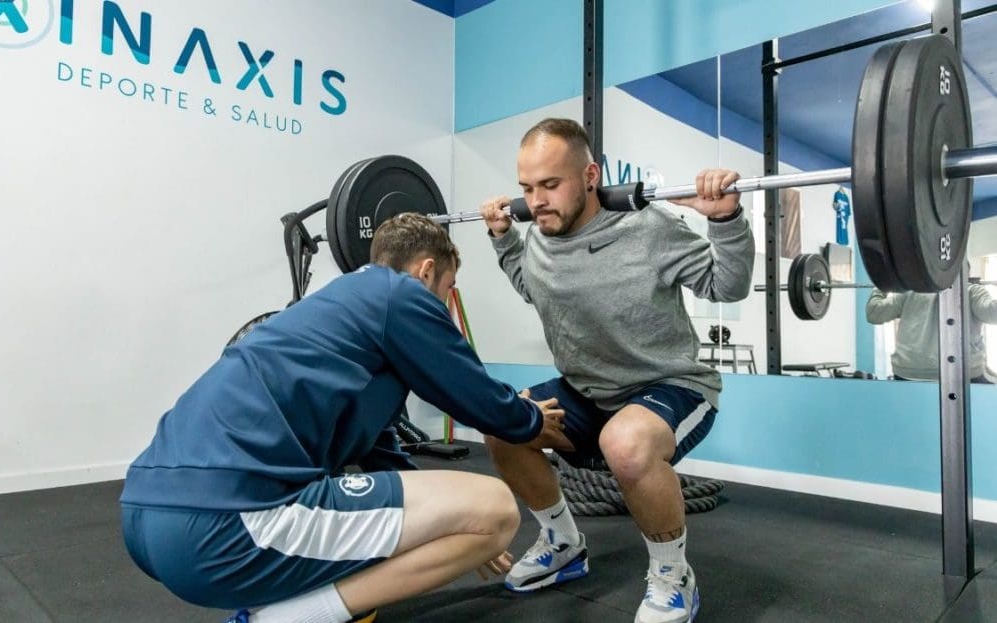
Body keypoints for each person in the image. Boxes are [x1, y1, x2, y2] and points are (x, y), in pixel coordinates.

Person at [119, 213, 566, 623]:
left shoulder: (337, 308)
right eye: (448, 287)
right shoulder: (401, 294)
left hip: (145, 514)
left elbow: (377, 446)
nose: (446, 302)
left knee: (466, 513)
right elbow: (470, 391)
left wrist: (448, 523)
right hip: (224, 523)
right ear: (426, 271)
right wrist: (529, 419)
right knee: (496, 510)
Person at [478, 118, 755, 623]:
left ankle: (673, 574)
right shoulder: (539, 234)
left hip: (671, 385)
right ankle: (562, 542)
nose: (536, 201)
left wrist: (726, 220)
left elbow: (727, 287)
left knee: (624, 444)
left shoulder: (648, 228)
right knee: (501, 421)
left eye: (550, 184)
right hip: (587, 392)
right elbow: (531, 285)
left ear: (590, 176)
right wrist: (503, 240)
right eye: (527, 188)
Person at [866, 282, 997, 383]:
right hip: (962, 373)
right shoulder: (972, 291)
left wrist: (882, 285)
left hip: (908, 373)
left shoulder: (909, 291)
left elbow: (874, 313)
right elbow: (992, 314)